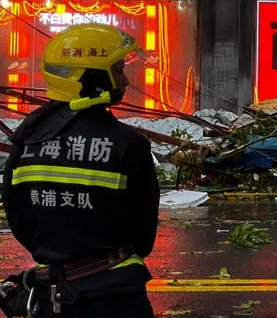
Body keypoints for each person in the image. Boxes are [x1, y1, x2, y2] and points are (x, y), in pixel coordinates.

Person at [1, 24, 159, 317]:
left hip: (53, 299)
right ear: (91, 76)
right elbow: (142, 238)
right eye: (117, 69)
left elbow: (19, 219)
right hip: (117, 298)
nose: (124, 79)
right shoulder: (129, 144)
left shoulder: (25, 141)